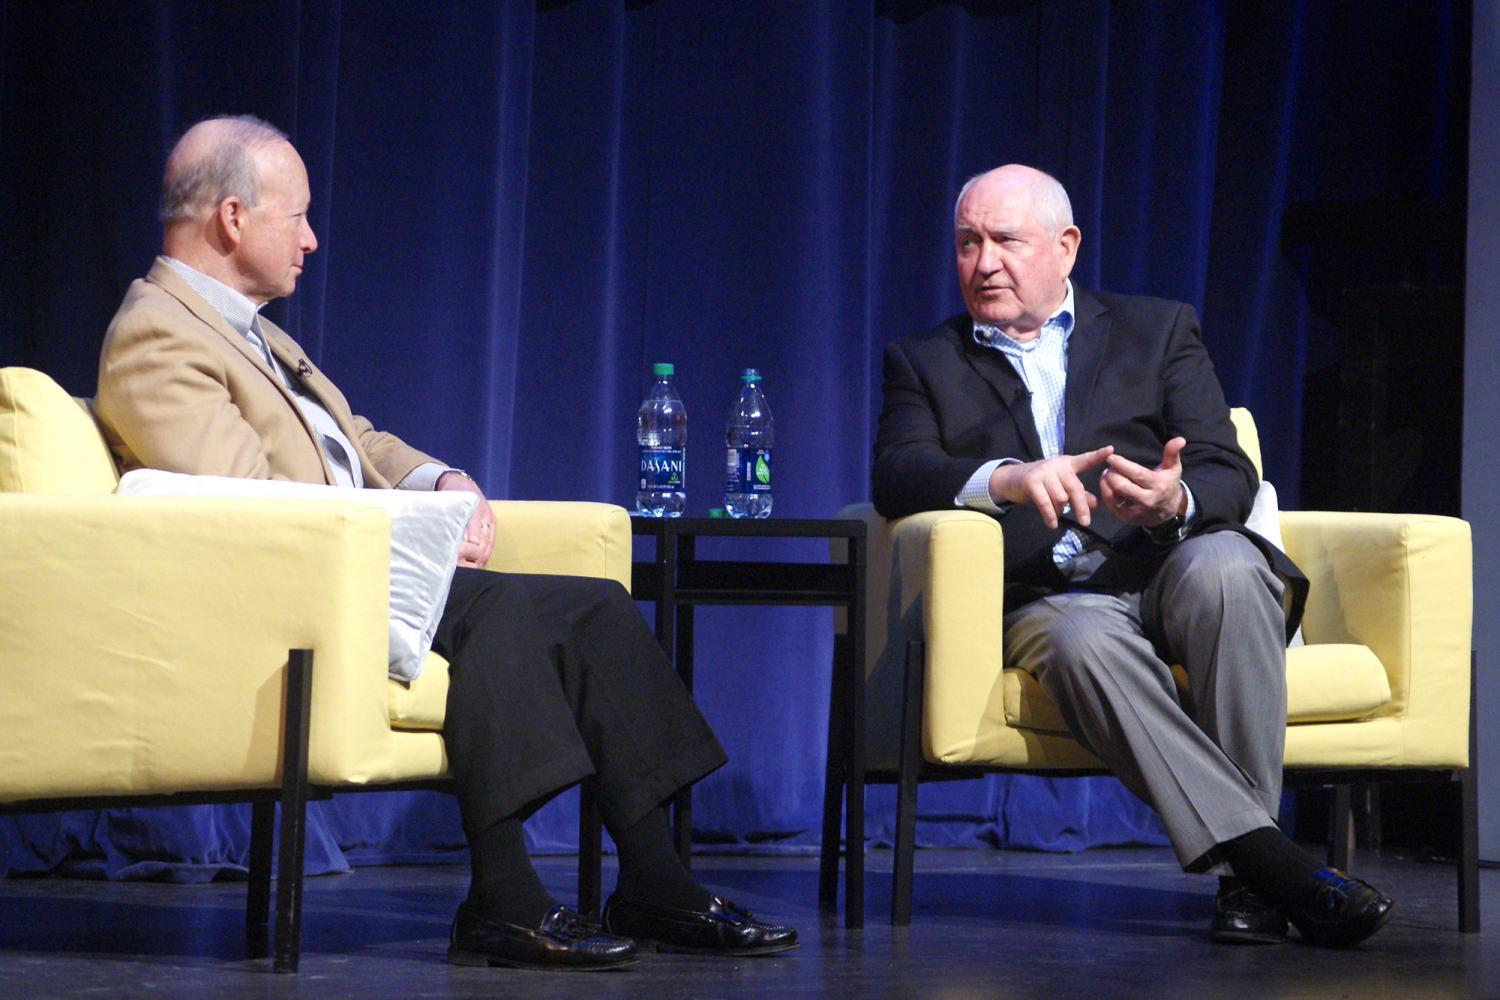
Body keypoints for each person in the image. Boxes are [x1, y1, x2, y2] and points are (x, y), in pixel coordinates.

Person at [93, 115, 797, 971]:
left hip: (358, 564)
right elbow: (250, 508)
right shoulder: (156, 334)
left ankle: (652, 874)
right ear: (234, 218)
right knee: (495, 605)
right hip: (295, 594)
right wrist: (413, 530)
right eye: (298, 217)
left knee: (594, 607)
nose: (312, 239)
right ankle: (502, 897)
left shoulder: (255, 331)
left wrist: (442, 482)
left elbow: (355, 437)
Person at [872, 164, 1394, 948]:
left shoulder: (1158, 330)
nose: (983, 263)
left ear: (1066, 246)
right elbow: (895, 475)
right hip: (1046, 601)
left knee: (1230, 569)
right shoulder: (924, 361)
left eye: (1005, 241)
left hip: (1165, 567)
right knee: (1084, 643)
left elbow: (1225, 467)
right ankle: (1268, 874)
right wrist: (1006, 480)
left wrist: (1172, 502)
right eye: (967, 243)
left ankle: (1250, 871)